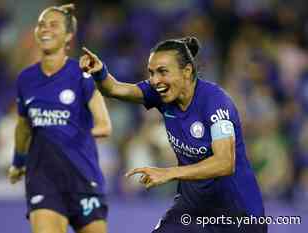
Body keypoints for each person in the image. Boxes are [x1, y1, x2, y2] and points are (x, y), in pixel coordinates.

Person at [79, 37, 267, 233]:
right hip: (192, 210)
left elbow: (225, 162)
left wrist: (168, 172)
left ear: (186, 72)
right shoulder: (160, 94)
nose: (155, 80)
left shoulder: (215, 102)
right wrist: (99, 72)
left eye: (162, 72)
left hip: (237, 214)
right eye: (151, 73)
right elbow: (114, 89)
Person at [7, 4, 112, 233]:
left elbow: (104, 126)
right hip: (43, 178)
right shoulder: (26, 79)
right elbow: (23, 126)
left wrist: (69, 132)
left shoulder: (82, 75)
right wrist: (17, 162)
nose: (45, 29)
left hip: (83, 177)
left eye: (53, 25)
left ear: (68, 36)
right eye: (41, 24)